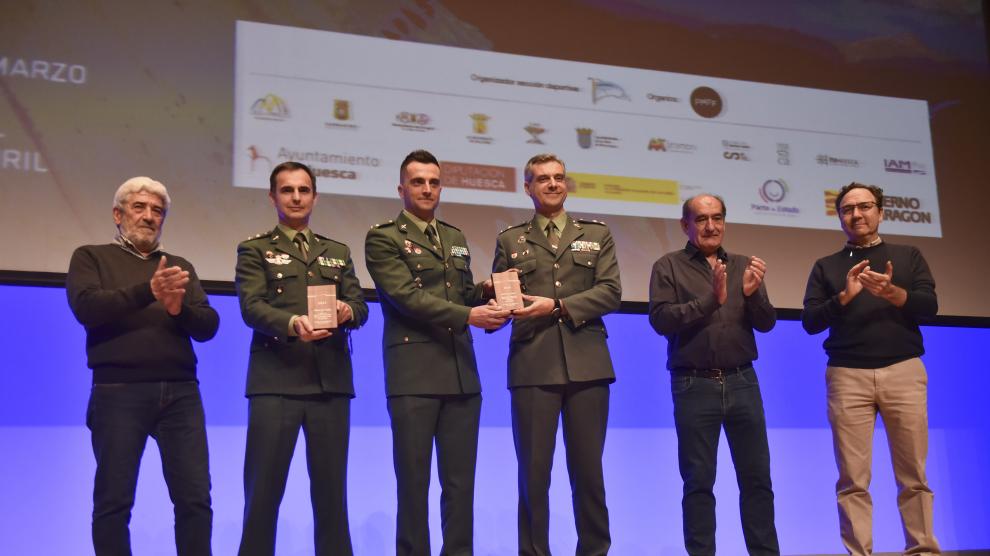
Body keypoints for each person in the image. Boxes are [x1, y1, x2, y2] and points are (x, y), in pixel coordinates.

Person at [365, 149, 509, 556]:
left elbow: (460, 295)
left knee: (461, 485)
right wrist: (471, 313)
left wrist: (489, 292)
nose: (427, 189)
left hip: (461, 372)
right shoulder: (383, 237)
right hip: (413, 376)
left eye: (433, 182)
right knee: (413, 483)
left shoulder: (454, 237)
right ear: (401, 188)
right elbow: (407, 298)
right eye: (418, 182)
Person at [66, 176, 219, 555]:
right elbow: (88, 308)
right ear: (118, 215)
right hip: (118, 393)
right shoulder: (91, 256)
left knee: (195, 501)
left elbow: (209, 326)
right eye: (140, 208)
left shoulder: (179, 266)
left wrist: (177, 308)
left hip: (181, 395)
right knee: (114, 504)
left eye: (158, 211)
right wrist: (147, 291)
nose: (149, 217)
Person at [235, 161, 368, 556]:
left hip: (330, 385)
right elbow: (251, 308)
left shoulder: (337, 251)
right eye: (287, 190)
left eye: (304, 190)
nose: (296, 197)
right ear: (273, 196)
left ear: (315, 196)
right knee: (263, 496)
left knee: (332, 498)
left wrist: (347, 311)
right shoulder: (255, 248)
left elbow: (361, 307)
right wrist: (293, 323)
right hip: (276, 383)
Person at [491, 153, 621, 556]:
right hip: (532, 364)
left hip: (588, 364)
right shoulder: (509, 239)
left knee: (588, 474)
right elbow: (502, 298)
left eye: (559, 178)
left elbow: (610, 292)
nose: (552, 184)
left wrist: (559, 306)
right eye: (542, 179)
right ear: (527, 187)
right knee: (533, 475)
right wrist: (492, 304)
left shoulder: (597, 234)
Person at [802, 182, 939, 556]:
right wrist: (844, 297)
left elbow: (929, 306)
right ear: (840, 217)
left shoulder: (908, 255)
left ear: (880, 211)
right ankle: (858, 552)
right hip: (847, 376)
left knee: (914, 477)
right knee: (852, 480)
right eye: (847, 209)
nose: (856, 215)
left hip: (903, 370)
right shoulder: (826, 266)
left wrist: (892, 293)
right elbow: (811, 321)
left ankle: (923, 550)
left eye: (864, 207)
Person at [648, 193, 779, 556]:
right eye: (702, 219)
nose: (711, 226)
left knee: (757, 480)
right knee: (698, 483)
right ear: (685, 225)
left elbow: (766, 324)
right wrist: (711, 300)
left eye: (717, 218)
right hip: (694, 385)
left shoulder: (742, 265)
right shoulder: (668, 267)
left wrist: (752, 296)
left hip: (743, 381)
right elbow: (660, 320)